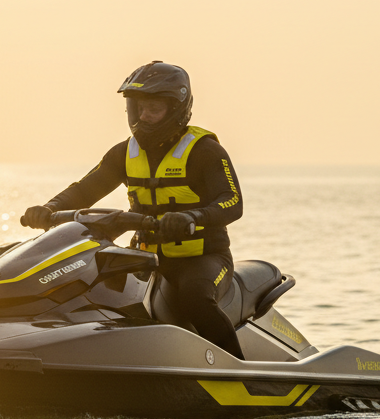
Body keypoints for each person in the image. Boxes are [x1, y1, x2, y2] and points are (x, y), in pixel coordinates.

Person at [22, 60, 245, 358]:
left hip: (202, 258)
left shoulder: (205, 151)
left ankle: (241, 375)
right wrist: (49, 209)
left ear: (176, 108)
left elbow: (232, 202)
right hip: (144, 258)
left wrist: (193, 216)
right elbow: (86, 189)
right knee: (93, 292)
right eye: (138, 108)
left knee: (195, 299)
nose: (144, 115)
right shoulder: (123, 153)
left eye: (153, 108)